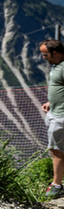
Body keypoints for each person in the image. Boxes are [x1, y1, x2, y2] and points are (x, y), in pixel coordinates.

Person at [39, 39, 64, 199]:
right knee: (56, 149)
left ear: (55, 53)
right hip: (54, 111)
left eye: (45, 54)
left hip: (61, 116)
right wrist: (51, 102)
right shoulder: (57, 66)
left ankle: (56, 186)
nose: (43, 58)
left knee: (57, 150)